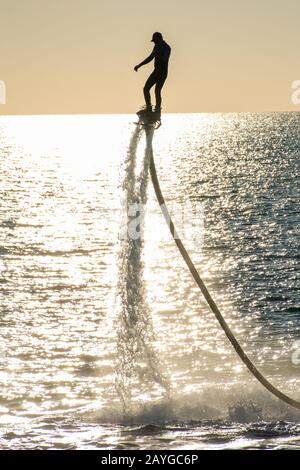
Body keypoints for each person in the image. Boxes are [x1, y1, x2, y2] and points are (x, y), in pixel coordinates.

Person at [134, 32, 171, 114]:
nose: (154, 42)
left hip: (162, 72)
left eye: (155, 40)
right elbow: (150, 58)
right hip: (156, 71)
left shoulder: (166, 48)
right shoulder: (157, 46)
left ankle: (157, 110)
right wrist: (139, 65)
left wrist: (159, 54)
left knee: (157, 91)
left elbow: (165, 60)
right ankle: (149, 108)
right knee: (146, 89)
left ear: (159, 39)